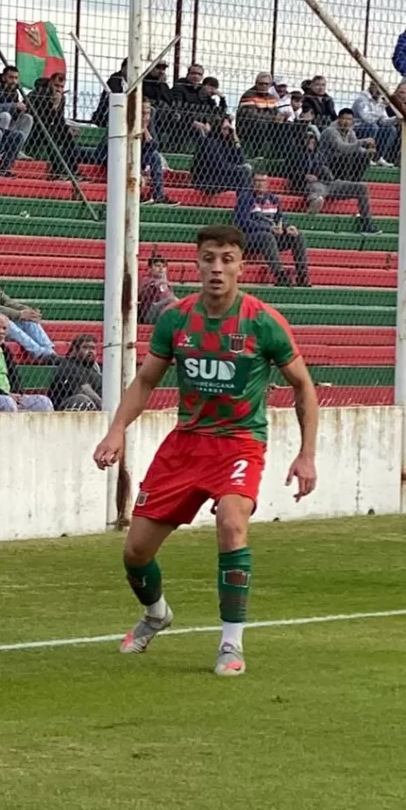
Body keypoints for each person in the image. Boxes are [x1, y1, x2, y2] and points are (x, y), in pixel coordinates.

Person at [94, 223, 318, 678]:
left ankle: (231, 645)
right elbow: (146, 381)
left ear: (241, 265)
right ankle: (157, 614)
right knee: (135, 553)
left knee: (231, 524)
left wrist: (306, 454)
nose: (217, 268)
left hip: (239, 443)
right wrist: (116, 430)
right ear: (195, 263)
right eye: (209, 258)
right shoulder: (176, 318)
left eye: (227, 259)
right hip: (185, 445)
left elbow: (303, 387)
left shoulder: (262, 321)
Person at [285, 125, 377, 234]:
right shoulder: (295, 154)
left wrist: (325, 172)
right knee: (318, 190)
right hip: (309, 183)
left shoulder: (319, 154)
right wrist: (304, 176)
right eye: (308, 138)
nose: (311, 141)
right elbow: (287, 172)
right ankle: (314, 203)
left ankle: (366, 222)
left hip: (328, 182)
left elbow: (329, 172)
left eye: (313, 139)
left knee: (361, 187)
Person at [235, 176, 309, 288]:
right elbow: (242, 222)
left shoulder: (274, 199)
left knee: (298, 235)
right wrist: (268, 228)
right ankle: (280, 275)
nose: (260, 184)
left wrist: (287, 227)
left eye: (263, 181)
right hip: (250, 237)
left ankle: (302, 275)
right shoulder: (245, 197)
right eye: (257, 181)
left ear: (267, 183)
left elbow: (280, 219)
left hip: (271, 236)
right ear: (252, 183)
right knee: (267, 236)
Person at [26, 73, 92, 179]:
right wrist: (54, 106)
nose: (59, 89)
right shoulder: (37, 94)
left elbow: (59, 120)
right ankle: (57, 171)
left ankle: (73, 170)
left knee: (68, 137)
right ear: (50, 82)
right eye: (56, 86)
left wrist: (67, 129)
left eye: (61, 87)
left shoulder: (61, 98)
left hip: (50, 129)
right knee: (50, 134)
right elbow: (41, 119)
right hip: (35, 130)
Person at [190, 117, 252, 195]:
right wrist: (240, 168)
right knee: (243, 174)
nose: (227, 131)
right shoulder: (211, 141)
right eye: (225, 128)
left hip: (221, 177)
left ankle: (246, 202)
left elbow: (241, 160)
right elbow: (220, 166)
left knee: (246, 173)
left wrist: (236, 140)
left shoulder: (227, 142)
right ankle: (245, 203)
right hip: (208, 179)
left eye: (229, 129)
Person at [48, 334, 102, 411]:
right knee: (81, 400)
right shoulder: (68, 365)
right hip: (65, 408)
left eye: (92, 348)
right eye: (85, 347)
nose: (90, 351)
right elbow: (84, 389)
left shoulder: (93, 369)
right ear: (75, 350)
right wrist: (104, 405)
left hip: (95, 406)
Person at [352, 81, 400, 165]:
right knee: (373, 127)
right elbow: (368, 119)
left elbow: (383, 121)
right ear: (371, 86)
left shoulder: (378, 100)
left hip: (371, 128)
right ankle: (366, 156)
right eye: (377, 88)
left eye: (382, 90)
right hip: (357, 128)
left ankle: (378, 157)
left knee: (390, 129)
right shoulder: (362, 99)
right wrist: (382, 106)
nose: (379, 92)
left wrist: (396, 119)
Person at [138, 100, 177, 205]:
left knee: (155, 156)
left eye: (148, 113)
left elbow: (154, 145)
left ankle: (159, 195)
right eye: (143, 113)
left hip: (140, 156)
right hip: (122, 157)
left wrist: (145, 129)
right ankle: (137, 193)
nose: (146, 116)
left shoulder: (148, 124)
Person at [321, 109, 376, 181]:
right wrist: (363, 141)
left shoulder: (350, 131)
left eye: (349, 119)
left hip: (342, 158)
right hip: (328, 160)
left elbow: (355, 146)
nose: (346, 122)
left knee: (363, 156)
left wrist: (367, 151)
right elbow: (342, 147)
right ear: (338, 119)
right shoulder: (331, 131)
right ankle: (343, 181)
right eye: (344, 119)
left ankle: (355, 181)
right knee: (347, 156)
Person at [138, 254, 177, 324]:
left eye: (164, 266)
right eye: (157, 266)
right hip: (149, 313)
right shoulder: (146, 280)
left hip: (164, 310)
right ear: (149, 268)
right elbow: (143, 293)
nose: (161, 269)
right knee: (172, 299)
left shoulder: (167, 284)